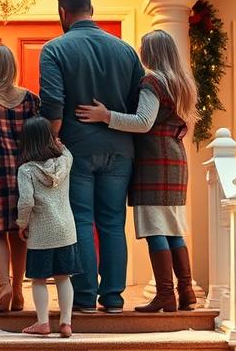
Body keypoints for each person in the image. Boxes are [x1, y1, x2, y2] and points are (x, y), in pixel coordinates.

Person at [77, 29, 198, 313]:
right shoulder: (181, 82)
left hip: (155, 162)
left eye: (144, 46)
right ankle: (186, 292)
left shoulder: (152, 82)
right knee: (173, 230)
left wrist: (106, 116)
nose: (140, 50)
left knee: (156, 229)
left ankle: (166, 295)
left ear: (152, 52)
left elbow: (143, 122)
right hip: (175, 159)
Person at [39, 0, 144, 313]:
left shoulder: (54, 49)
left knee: (81, 220)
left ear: (62, 13)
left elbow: (53, 103)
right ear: (92, 9)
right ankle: (112, 298)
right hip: (120, 148)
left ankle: (83, 297)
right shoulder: (126, 50)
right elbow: (137, 103)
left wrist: (52, 140)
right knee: (113, 223)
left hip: (76, 147)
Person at [0, 44, 40, 313]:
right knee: (20, 231)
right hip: (24, 171)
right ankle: (18, 289)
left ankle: (3, 284)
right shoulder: (30, 99)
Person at [16, 116, 79, 339]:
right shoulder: (65, 159)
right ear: (51, 138)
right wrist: (60, 145)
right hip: (66, 231)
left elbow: (26, 202)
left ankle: (43, 322)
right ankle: (66, 323)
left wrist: (21, 224)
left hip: (41, 233)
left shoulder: (26, 170)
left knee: (39, 279)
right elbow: (65, 150)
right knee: (64, 277)